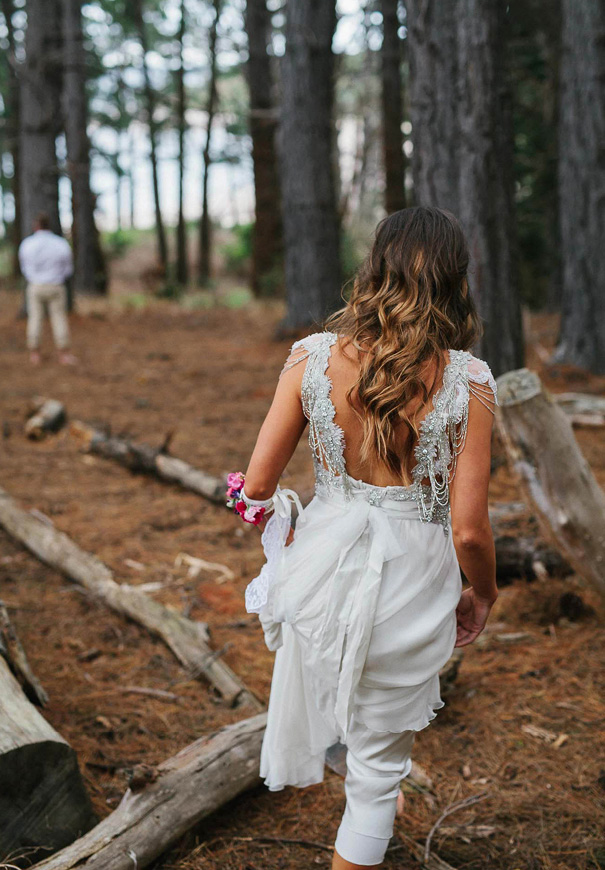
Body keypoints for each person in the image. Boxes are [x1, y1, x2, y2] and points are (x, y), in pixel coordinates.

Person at [228, 206, 499, 869]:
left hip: (324, 567)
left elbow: (257, 486)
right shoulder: (468, 381)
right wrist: (483, 594)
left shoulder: (310, 358)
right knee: (380, 772)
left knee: (350, 706)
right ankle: (368, 810)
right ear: (453, 281)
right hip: (411, 582)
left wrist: (259, 509)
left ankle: (363, 796)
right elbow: (466, 529)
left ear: (373, 270)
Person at [18, 212, 76, 365]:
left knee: (35, 318)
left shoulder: (27, 244)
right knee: (59, 318)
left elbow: (24, 267)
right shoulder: (60, 244)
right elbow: (68, 268)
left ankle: (34, 354)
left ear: (36, 226)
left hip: (35, 286)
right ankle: (63, 354)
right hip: (56, 286)